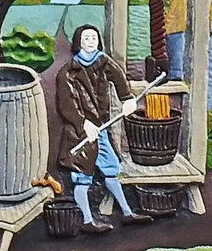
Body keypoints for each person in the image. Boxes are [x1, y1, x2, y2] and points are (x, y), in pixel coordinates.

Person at [56, 24, 152, 233]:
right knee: (82, 176)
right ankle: (87, 221)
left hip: (100, 129)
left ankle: (127, 213)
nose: (91, 41)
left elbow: (118, 77)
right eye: (86, 38)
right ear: (78, 42)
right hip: (79, 134)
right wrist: (82, 123)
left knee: (110, 170)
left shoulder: (102, 62)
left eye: (93, 38)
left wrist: (127, 99)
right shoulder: (68, 72)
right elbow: (67, 104)